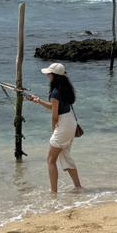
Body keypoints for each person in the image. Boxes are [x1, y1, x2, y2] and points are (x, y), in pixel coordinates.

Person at [28, 63, 83, 193]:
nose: (47, 75)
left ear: (54, 75)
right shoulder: (65, 88)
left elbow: (54, 116)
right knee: (66, 157)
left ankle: (54, 193)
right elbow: (55, 107)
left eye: (49, 73)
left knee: (50, 160)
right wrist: (39, 101)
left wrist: (54, 129)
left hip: (63, 126)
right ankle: (78, 187)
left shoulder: (55, 92)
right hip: (71, 123)